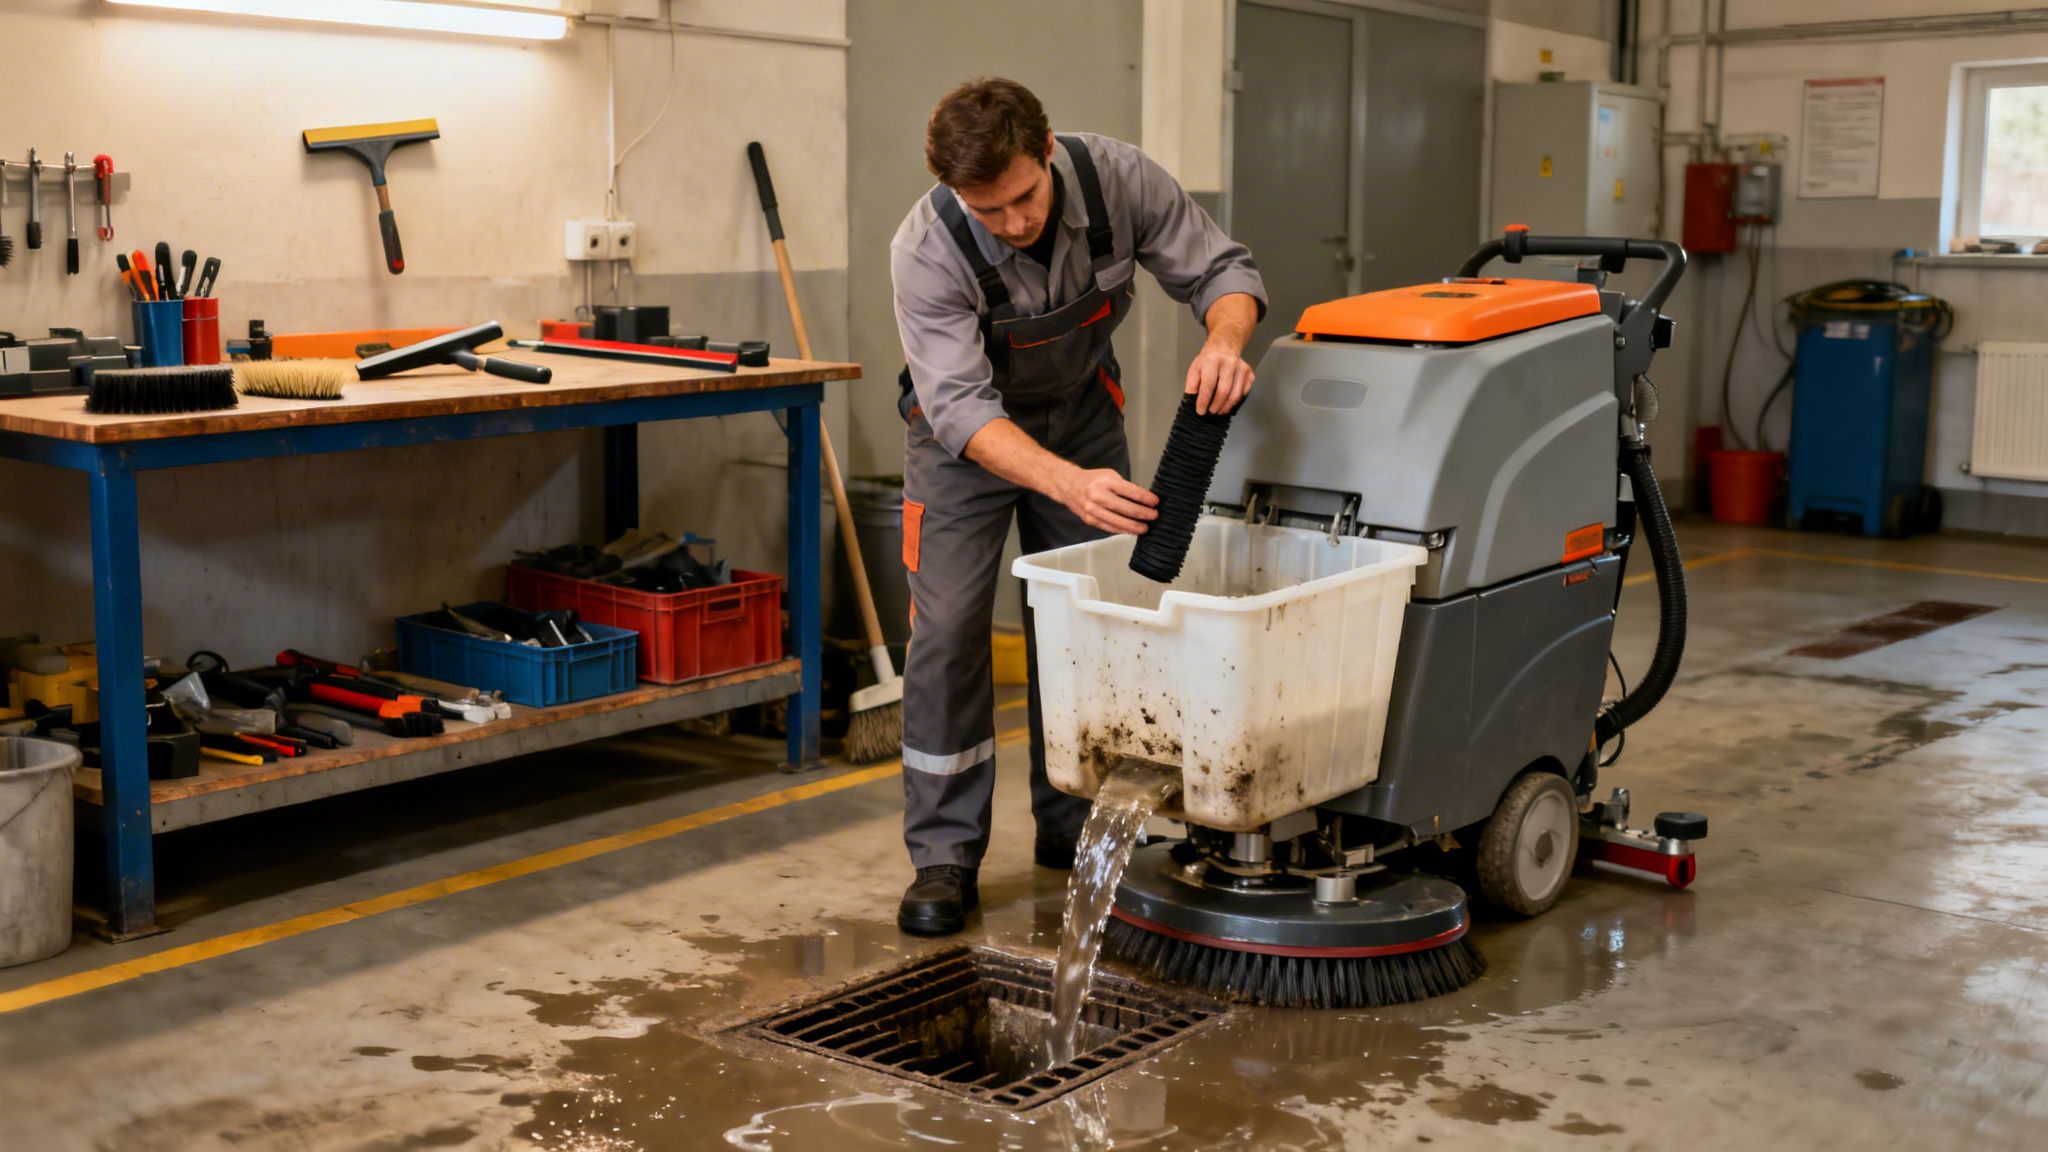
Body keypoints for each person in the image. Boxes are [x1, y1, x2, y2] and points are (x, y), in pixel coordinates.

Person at [889, 77, 1266, 936]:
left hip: (1084, 413)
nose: (1014, 223)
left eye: (1024, 197)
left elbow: (1223, 269)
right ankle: (945, 853)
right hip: (963, 448)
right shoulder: (926, 248)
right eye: (989, 211)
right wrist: (1064, 483)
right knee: (947, 630)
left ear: (1048, 146)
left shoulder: (1122, 182)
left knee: (1097, 622)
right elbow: (960, 411)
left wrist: (1223, 337)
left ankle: (1077, 823)